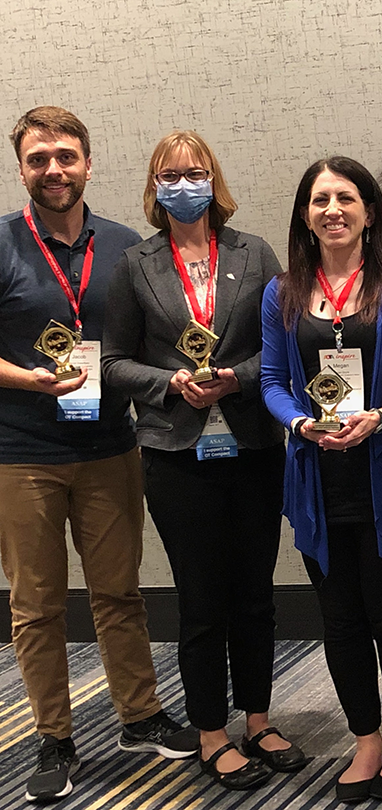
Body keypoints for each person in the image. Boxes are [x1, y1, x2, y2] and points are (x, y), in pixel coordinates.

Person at [0, 106, 199, 803]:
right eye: (38, 158)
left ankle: (139, 715)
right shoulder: (0, 244)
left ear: (88, 162)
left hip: (112, 444)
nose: (53, 169)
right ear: (21, 168)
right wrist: (26, 378)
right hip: (21, 453)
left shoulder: (126, 246)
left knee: (120, 593)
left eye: (66, 155)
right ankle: (52, 736)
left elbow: (150, 341)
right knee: (36, 604)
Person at [101, 130, 306, 790]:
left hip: (249, 448)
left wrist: (236, 379)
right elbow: (110, 363)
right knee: (201, 600)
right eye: (169, 174)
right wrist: (171, 384)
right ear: (154, 186)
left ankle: (259, 718)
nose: (182, 184)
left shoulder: (256, 253)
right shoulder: (136, 265)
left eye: (194, 172)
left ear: (214, 180)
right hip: (176, 453)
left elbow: (281, 346)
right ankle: (212, 731)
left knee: (254, 595)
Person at [260, 156, 382, 803]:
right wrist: (302, 425)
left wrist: (381, 415)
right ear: (305, 214)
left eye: (346, 197)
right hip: (317, 483)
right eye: (319, 199)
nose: (333, 209)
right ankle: (367, 738)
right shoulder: (282, 293)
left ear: (368, 211)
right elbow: (273, 382)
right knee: (342, 620)